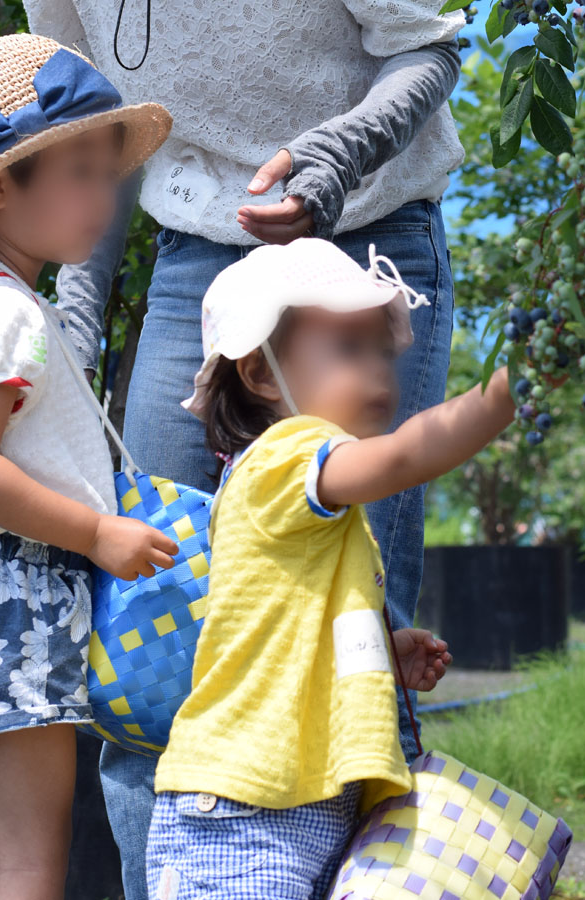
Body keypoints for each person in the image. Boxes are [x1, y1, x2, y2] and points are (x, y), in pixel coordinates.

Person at [19, 4, 465, 894]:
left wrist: (338, 155)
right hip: (201, 261)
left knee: (357, 640)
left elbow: (428, 47)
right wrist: (75, 326)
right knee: (149, 645)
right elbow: (95, 131)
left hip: (361, 242)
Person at [145, 237, 522, 900]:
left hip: (298, 799)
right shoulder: (284, 456)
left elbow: (296, 624)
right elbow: (404, 457)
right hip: (242, 810)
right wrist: (504, 393)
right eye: (349, 349)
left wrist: (380, 655)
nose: (380, 373)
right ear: (261, 374)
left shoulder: (306, 498)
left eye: (382, 352)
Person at [0, 35, 175, 900]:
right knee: (29, 857)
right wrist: (95, 531)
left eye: (109, 174)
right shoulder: (6, 312)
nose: (104, 197)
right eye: (81, 173)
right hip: (11, 594)